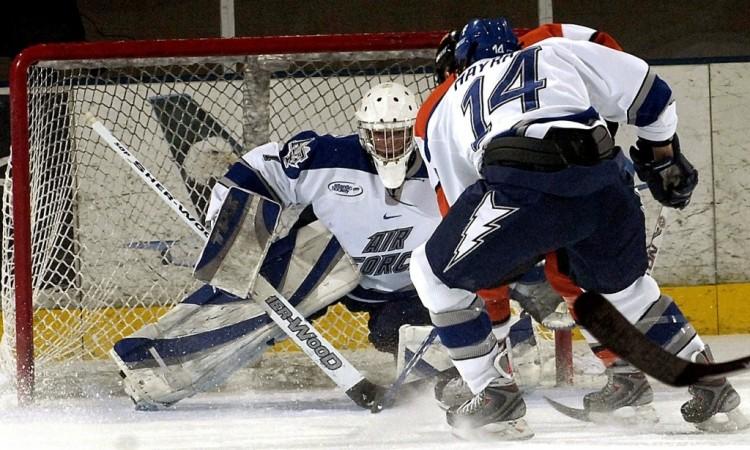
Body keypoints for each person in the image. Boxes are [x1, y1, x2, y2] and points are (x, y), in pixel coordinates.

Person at [110, 81, 537, 410]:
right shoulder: (328, 155)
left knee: (419, 344)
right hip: (334, 265)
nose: (388, 144)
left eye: (398, 134)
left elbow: (500, 222)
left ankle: (502, 351)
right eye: (379, 134)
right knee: (251, 297)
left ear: (415, 130)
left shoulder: (445, 159)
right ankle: (155, 363)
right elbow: (260, 167)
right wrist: (231, 224)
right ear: (362, 131)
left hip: (414, 290)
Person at [410, 17, 741, 440]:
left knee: (431, 272)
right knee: (626, 290)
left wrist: (503, 258)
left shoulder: (440, 102)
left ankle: (493, 396)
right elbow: (652, 93)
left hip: (523, 185)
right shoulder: (552, 50)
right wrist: (663, 154)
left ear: (457, 61)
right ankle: (711, 384)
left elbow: (461, 202)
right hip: (605, 178)